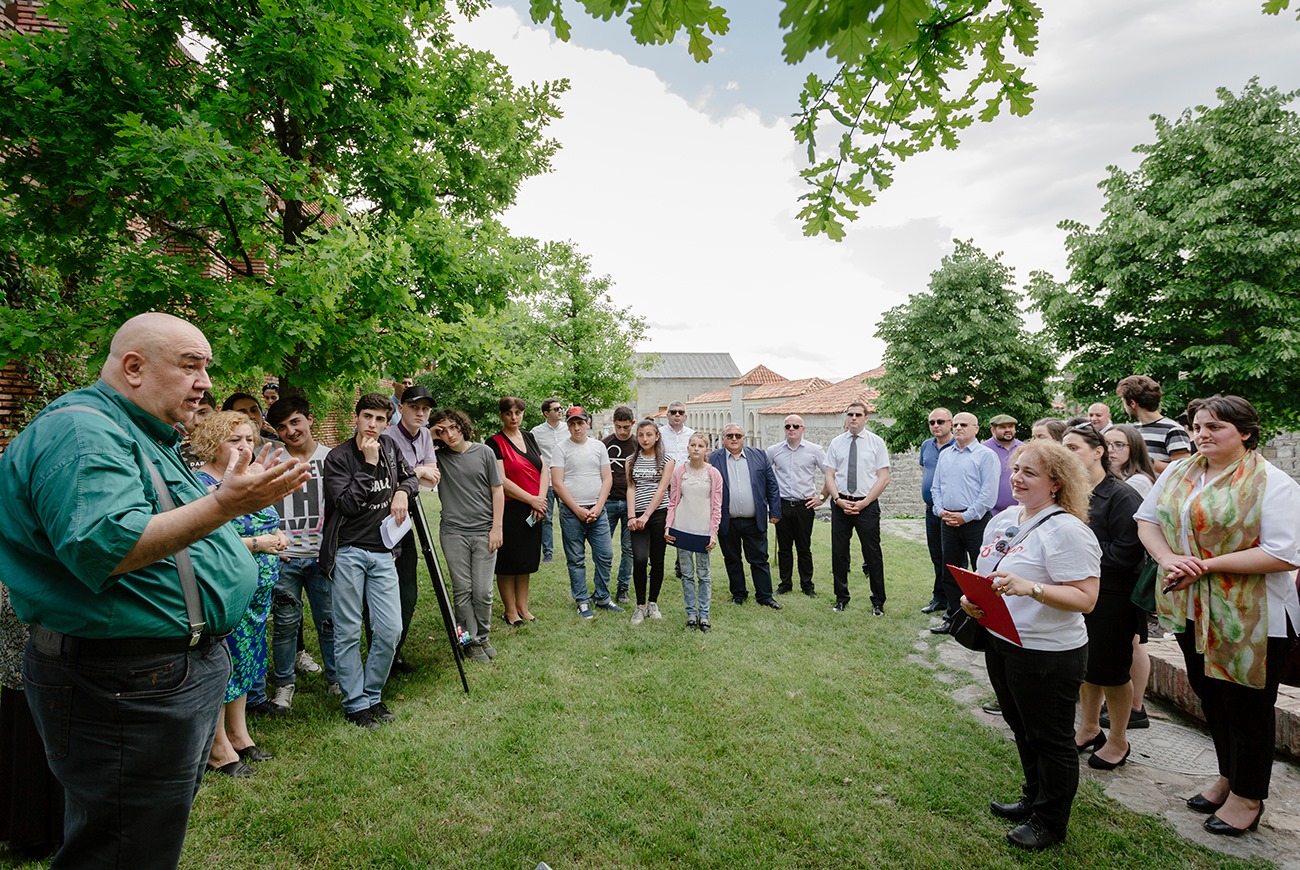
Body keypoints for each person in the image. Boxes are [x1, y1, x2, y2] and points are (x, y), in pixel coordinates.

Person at [0, 312, 309, 867]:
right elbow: (107, 546)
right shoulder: (83, 432)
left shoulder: (143, 432)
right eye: (190, 366)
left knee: (137, 836)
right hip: (123, 681)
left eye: (206, 367)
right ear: (134, 367)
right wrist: (226, 506)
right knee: (122, 849)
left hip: (154, 676)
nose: (205, 382)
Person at [1136, 395, 1300, 837]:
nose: (1201, 434)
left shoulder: (1273, 482)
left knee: (1248, 707)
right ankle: (1229, 776)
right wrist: (1168, 558)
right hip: (1191, 607)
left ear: (1245, 433)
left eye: (1215, 427)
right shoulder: (1178, 471)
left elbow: (1283, 554)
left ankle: (1249, 796)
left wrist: (1205, 567)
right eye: (1197, 427)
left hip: (1252, 618)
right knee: (1210, 696)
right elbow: (1147, 521)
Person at [959, 440, 1101, 852]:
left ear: (1056, 483)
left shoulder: (1067, 530)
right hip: (1003, 641)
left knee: (1050, 737)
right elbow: (990, 572)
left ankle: (1050, 822)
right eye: (1016, 469)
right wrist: (973, 598)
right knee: (1022, 727)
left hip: (1048, 652)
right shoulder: (1005, 518)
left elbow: (1086, 599)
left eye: (1029, 473)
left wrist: (1032, 588)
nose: (1017, 478)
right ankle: (1033, 798)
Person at [190, 412, 289, 777]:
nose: (245, 446)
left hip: (258, 594)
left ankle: (239, 734)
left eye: (249, 439)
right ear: (212, 443)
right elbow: (204, 540)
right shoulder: (200, 484)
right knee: (224, 664)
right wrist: (258, 543)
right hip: (224, 591)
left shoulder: (250, 478)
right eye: (235, 440)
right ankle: (217, 746)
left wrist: (279, 537)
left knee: (247, 660)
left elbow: (268, 521)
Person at [321, 393, 419, 730]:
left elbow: (411, 477)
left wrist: (403, 491)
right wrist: (368, 464)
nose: (372, 425)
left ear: (387, 422)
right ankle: (355, 703)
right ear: (357, 417)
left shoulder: (390, 448)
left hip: (383, 551)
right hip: (348, 552)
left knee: (391, 629)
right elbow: (347, 505)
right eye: (367, 417)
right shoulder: (338, 457)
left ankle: (372, 694)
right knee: (348, 631)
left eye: (379, 419)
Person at [1061, 424, 1145, 771]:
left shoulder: (1123, 496)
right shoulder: (1071, 493)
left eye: (1074, 447)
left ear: (1099, 452)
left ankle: (1119, 739)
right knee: (1086, 667)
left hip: (1114, 597)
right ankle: (1089, 727)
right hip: (1079, 592)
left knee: (1112, 671)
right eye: (1063, 447)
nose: (1066, 453)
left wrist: (1079, 554)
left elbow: (1128, 553)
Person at [265, 395, 339, 714]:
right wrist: (271, 537)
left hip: (322, 557)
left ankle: (337, 677)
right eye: (282, 427)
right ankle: (284, 684)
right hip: (286, 557)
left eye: (295, 422)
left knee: (330, 620)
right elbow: (260, 504)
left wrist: (334, 545)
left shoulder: (332, 458)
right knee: (285, 623)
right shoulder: (273, 460)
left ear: (309, 419)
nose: (290, 431)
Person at [430, 410, 504, 664]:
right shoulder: (438, 458)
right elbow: (415, 450)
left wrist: (497, 528)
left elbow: (497, 490)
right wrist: (430, 434)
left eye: (453, 427)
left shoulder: (484, 452)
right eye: (442, 431)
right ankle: (467, 641)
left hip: (484, 531)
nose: (449, 435)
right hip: (453, 533)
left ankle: (483, 636)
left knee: (483, 591)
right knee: (462, 590)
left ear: (462, 426)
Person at [0, 581, 63, 860]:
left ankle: (33, 829)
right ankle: (36, 831)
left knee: (29, 729)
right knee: (30, 730)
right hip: (33, 649)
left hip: (35, 649)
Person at [383, 385, 441, 674]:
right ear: (400, 408)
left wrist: (410, 475)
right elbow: (387, 481)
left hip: (406, 522)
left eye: (425, 409)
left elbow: (433, 479)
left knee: (408, 591)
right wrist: (417, 471)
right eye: (414, 407)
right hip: (381, 522)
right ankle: (382, 655)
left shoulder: (426, 435)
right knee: (383, 592)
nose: (420, 413)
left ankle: (395, 653)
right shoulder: (387, 437)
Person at [929, 412, 999, 634]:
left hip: (975, 523)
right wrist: (940, 511)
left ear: (976, 429)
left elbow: (988, 494)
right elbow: (936, 488)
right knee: (950, 572)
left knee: (981, 572)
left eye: (964, 425)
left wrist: (965, 516)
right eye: (956, 424)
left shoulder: (986, 455)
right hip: (948, 521)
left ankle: (986, 622)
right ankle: (953, 618)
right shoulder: (946, 454)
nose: (958, 428)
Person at [551, 406, 620, 618]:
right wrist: (577, 509)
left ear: (587, 423)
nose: (576, 427)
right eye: (572, 423)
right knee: (576, 558)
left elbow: (607, 478)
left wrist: (598, 507)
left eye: (580, 423)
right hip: (572, 513)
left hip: (597, 511)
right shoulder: (560, 449)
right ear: (568, 426)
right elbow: (557, 483)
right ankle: (582, 600)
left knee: (605, 555)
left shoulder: (598, 446)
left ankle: (602, 597)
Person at [823, 402, 891, 614]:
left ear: (865, 418)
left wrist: (865, 502)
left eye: (858, 415)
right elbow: (829, 475)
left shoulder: (876, 443)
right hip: (841, 504)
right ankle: (841, 598)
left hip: (866, 505)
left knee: (872, 554)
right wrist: (837, 499)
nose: (853, 418)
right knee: (839, 553)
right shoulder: (836, 443)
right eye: (850, 414)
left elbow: (884, 477)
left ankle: (878, 602)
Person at [709, 424, 782, 609]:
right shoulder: (713, 459)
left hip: (754, 520)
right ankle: (739, 594)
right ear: (723, 438)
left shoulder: (759, 455)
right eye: (730, 435)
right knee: (732, 559)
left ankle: (765, 596)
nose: (734, 439)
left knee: (759, 559)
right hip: (727, 520)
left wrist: (775, 511)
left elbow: (772, 485)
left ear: (743, 438)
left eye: (738, 435)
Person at [488, 397, 546, 626]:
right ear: (501, 415)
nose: (514, 417)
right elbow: (500, 479)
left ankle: (523, 606)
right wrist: (532, 499)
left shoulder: (530, 437)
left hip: (534, 509)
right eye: (508, 413)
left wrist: (540, 500)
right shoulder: (494, 442)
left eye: (518, 413)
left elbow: (543, 470)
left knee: (526, 562)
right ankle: (510, 610)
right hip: (510, 508)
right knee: (508, 562)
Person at [665, 433, 723, 631]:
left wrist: (713, 533)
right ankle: (691, 613)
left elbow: (716, 506)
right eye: (693, 445)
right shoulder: (679, 472)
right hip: (682, 526)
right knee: (687, 573)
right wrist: (668, 526)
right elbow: (673, 501)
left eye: (700, 445)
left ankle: (704, 615)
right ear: (688, 448)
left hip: (703, 529)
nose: (696, 448)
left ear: (707, 449)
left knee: (704, 574)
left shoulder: (713, 474)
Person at [768, 414, 829, 598]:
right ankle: (785, 584)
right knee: (784, 548)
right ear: (784, 429)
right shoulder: (773, 450)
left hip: (804, 506)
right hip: (783, 505)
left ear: (803, 429)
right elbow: (763, 475)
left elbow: (830, 474)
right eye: (788, 426)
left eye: (795, 426)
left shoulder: (815, 450)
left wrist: (821, 497)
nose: (791, 429)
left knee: (804, 548)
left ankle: (807, 585)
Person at [626, 420, 674, 624]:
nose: (644, 439)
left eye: (649, 435)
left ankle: (653, 602)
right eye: (641, 435)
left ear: (657, 436)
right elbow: (630, 488)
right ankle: (640, 605)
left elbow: (662, 490)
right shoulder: (630, 460)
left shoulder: (667, 460)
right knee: (639, 559)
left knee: (657, 559)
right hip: (636, 515)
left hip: (658, 514)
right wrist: (631, 516)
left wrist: (646, 515)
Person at [1116, 375, 1192, 473]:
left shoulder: (1173, 430)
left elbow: (1183, 470)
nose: (1124, 407)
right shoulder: (1133, 430)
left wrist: (1145, 461)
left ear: (1132, 403)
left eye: (1123, 401)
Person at [602, 407, 638, 604]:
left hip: (631, 503)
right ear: (613, 424)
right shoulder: (605, 443)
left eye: (626, 427)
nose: (622, 431)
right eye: (618, 427)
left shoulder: (638, 445)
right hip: (608, 501)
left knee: (629, 548)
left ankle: (623, 588)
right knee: (603, 548)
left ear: (633, 423)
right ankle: (602, 587)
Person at [530, 397, 566, 563]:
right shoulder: (536, 433)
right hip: (547, 482)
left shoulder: (567, 429)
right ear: (546, 413)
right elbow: (532, 457)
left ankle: (573, 551)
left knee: (568, 518)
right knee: (546, 518)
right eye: (556, 409)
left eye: (560, 408)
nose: (560, 411)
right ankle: (548, 553)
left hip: (566, 481)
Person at [1105, 424, 1158, 499]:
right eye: (1106, 444)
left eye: (1119, 445)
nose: (1109, 449)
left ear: (1134, 448)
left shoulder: (1139, 481)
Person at [984, 414, 1022, 514]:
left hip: (1020, 511)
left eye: (1011, 426)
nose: (1008, 430)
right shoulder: (984, 450)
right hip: (991, 512)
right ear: (993, 430)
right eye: (1003, 427)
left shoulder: (1024, 448)